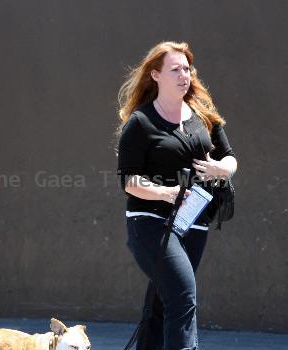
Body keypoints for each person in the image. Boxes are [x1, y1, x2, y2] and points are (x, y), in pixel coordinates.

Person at [116, 41, 237, 350]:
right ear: (155, 75)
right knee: (182, 295)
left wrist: (221, 170)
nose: (184, 74)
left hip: (194, 221)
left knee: (161, 304)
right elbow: (128, 180)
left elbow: (230, 159)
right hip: (150, 222)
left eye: (187, 68)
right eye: (175, 69)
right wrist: (166, 192)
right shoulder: (140, 123)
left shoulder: (203, 116)